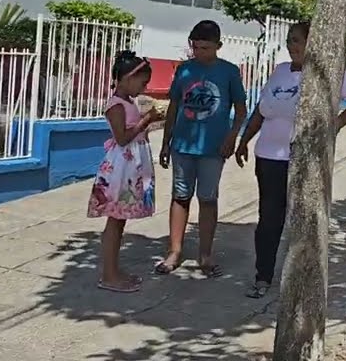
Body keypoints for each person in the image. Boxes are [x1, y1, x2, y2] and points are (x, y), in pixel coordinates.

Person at [234, 21, 346, 299]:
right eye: (289, 40)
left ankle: (300, 281)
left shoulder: (326, 73)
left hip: (302, 159)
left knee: (302, 221)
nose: (292, 46)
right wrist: (244, 140)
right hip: (268, 157)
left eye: (297, 40)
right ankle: (263, 276)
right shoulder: (280, 71)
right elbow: (261, 111)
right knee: (268, 219)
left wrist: (336, 124)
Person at [156, 20, 247, 278]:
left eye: (205, 48)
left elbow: (241, 110)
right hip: (183, 146)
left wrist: (232, 138)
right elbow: (173, 106)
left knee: (207, 199)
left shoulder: (229, 72)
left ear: (218, 46)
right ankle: (174, 251)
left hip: (213, 149)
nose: (199, 52)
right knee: (180, 196)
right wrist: (166, 142)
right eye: (195, 47)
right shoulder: (184, 70)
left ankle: (205, 255)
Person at [87, 51, 161, 293]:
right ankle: (109, 275)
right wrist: (146, 120)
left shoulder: (128, 102)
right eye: (142, 82)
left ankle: (113, 271)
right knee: (115, 220)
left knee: (119, 221)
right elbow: (122, 137)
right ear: (128, 78)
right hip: (121, 168)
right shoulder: (116, 105)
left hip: (130, 166)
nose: (144, 87)